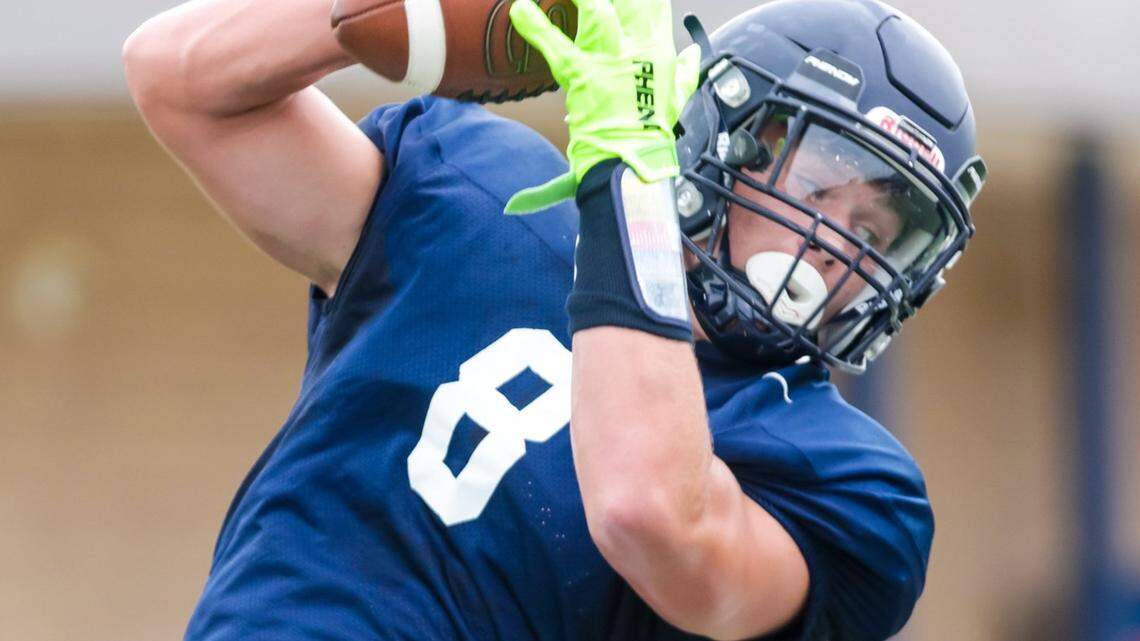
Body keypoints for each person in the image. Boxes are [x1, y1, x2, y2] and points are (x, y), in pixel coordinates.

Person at [121, 0, 987, 639]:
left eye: (878, 232)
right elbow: (179, 82)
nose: (840, 247)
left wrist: (627, 173)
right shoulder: (476, 189)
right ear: (726, 126)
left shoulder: (851, 481)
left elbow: (651, 514)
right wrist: (376, 12)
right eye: (822, 184)